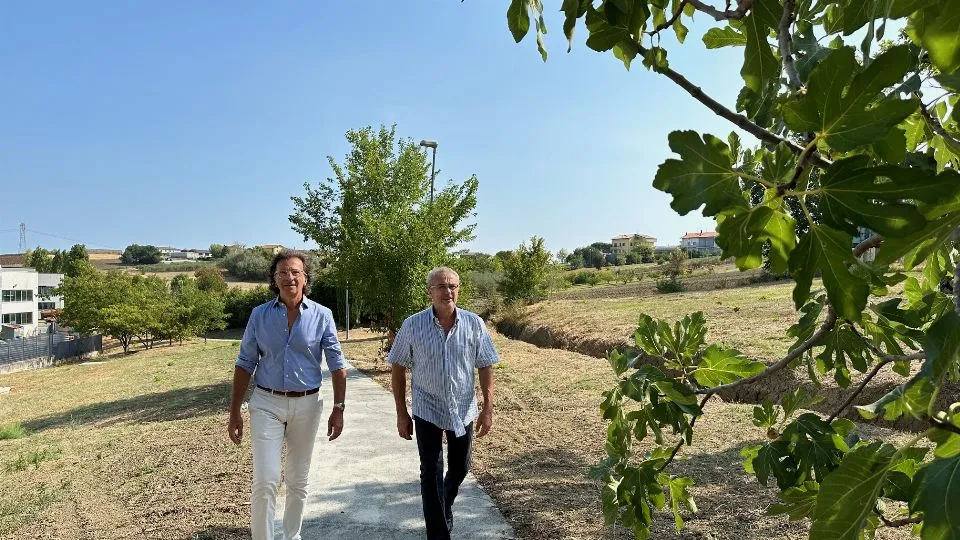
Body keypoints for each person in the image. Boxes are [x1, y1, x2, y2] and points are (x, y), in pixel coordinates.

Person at [227, 249, 347, 540]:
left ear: (305, 279)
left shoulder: (323, 315)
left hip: (307, 404)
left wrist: (339, 408)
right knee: (266, 479)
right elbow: (245, 364)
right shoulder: (259, 315)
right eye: (283, 272)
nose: (289, 277)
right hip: (266, 402)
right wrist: (234, 412)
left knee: (297, 480)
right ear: (274, 279)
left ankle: (292, 536)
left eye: (296, 272)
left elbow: (337, 365)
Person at [388, 266, 500, 540]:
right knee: (430, 472)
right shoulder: (412, 325)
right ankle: (438, 534)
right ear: (430, 292)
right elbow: (397, 367)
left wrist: (488, 408)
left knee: (461, 467)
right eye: (441, 286)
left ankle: (444, 503)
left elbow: (485, 365)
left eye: (452, 286)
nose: (447, 291)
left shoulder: (475, 324)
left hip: (462, 409)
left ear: (458, 290)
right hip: (427, 408)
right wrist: (402, 413)